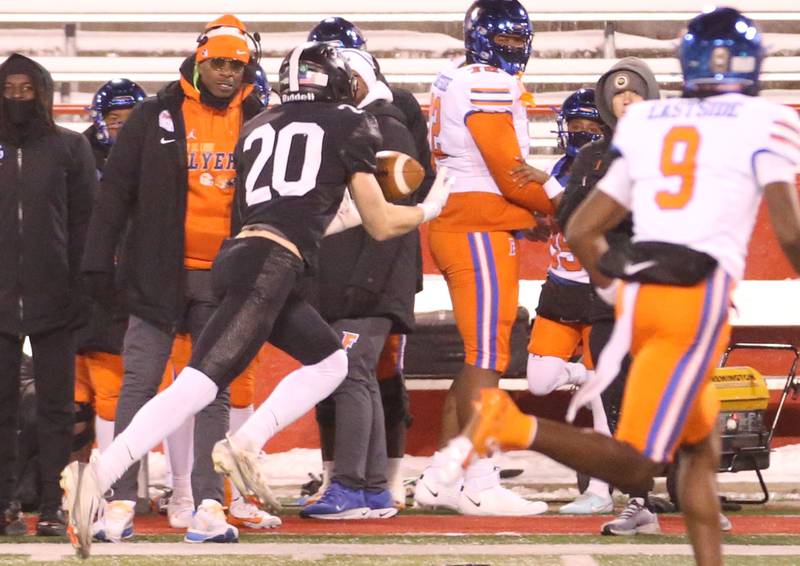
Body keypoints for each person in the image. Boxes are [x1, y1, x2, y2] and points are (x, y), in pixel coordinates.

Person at [61, 41, 452, 559]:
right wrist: (430, 208)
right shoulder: (350, 122)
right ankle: (100, 476)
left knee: (331, 360)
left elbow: (307, 214)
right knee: (197, 386)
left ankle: (243, 446)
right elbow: (382, 223)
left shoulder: (257, 124)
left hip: (248, 259)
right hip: (271, 269)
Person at [455, 8, 800, 566]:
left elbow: (583, 225)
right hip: (696, 304)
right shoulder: (766, 120)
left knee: (699, 447)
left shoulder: (649, 123)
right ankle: (511, 424)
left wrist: (619, 292)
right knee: (640, 463)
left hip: (641, 298)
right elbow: (789, 232)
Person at [79, 14, 265, 543]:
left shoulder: (259, 115)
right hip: (159, 273)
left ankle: (208, 503)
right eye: (220, 63)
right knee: (137, 385)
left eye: (238, 64)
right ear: (200, 61)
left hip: (226, 274)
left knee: (213, 391)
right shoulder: (153, 115)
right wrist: (98, 260)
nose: (229, 72)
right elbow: (115, 194)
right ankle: (118, 501)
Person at [413, 0, 562, 516]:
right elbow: (506, 169)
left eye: (522, 43)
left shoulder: (459, 76)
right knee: (489, 357)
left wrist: (527, 214)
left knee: (480, 354)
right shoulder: (484, 82)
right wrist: (564, 206)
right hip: (476, 226)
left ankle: (444, 475)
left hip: (473, 220)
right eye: (508, 44)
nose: (516, 53)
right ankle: (480, 478)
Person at [308, 17, 434, 504]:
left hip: (372, 270)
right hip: (347, 270)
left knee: (361, 370)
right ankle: (366, 483)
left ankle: (362, 482)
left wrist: (367, 279)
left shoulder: (386, 120)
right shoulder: (342, 120)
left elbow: (396, 207)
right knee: (344, 370)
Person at [556, 58, 666, 534]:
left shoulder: (673, 149)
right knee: (621, 398)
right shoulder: (594, 157)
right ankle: (638, 499)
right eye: (618, 93)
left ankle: (694, 490)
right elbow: (572, 220)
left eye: (634, 91)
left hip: (666, 288)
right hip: (613, 293)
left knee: (679, 397)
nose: (625, 99)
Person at [0, 53, 95, 537]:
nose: (17, 97)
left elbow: (87, 221)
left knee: (59, 406)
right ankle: (4, 504)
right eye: (9, 88)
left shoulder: (70, 148)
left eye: (26, 88)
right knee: (2, 403)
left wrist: (83, 284)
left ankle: (54, 507)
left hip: (57, 296)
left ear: (43, 91)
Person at [523, 88, 614, 515]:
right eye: (573, 127)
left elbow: (574, 211)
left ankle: (600, 490)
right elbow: (543, 219)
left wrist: (545, 185)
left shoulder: (608, 170)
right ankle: (587, 374)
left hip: (598, 289)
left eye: (588, 128)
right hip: (559, 287)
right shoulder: (558, 169)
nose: (578, 135)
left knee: (602, 405)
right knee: (539, 380)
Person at [73, 79, 147, 464]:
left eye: (129, 118)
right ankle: (84, 485)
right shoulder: (78, 154)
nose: (121, 125)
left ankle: (116, 483)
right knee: (78, 400)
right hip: (87, 286)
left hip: (136, 285)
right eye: (113, 118)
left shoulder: (156, 154)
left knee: (127, 394)